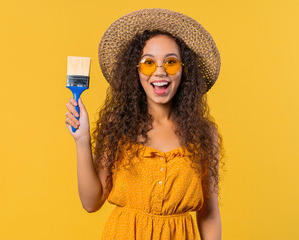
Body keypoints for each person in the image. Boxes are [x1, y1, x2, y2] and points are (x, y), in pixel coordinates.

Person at [65, 8, 225, 240]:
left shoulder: (203, 133)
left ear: (184, 69)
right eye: (148, 63)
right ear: (136, 70)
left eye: (170, 62)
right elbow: (91, 202)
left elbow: (209, 214)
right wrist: (82, 140)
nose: (160, 72)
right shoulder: (117, 126)